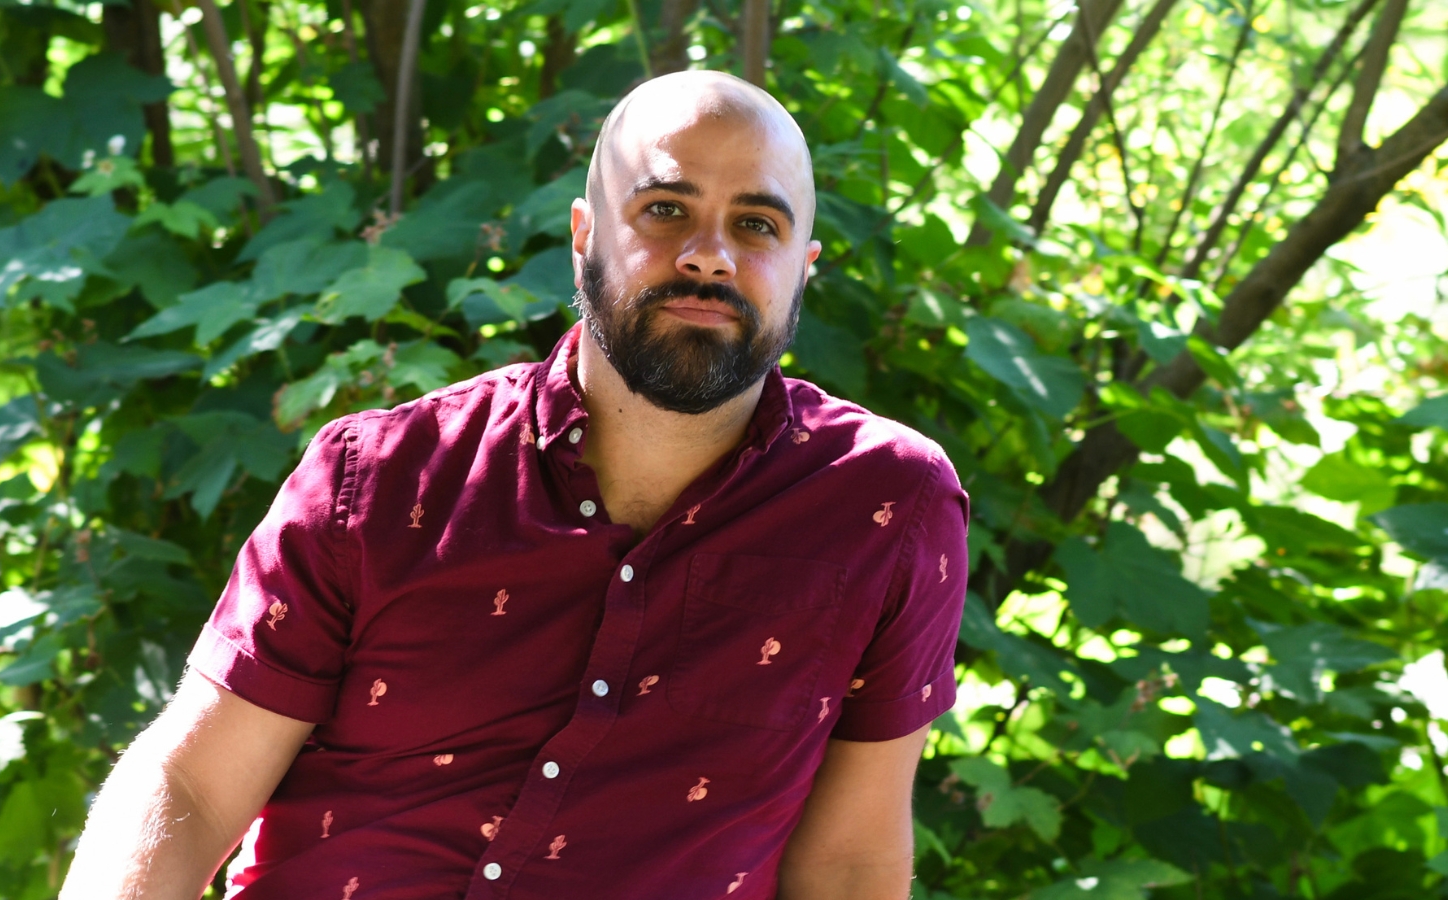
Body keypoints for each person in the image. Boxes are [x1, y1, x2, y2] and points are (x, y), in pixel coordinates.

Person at [60, 69, 968, 900]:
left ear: (802, 270)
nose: (708, 256)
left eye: (757, 226)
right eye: (663, 210)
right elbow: (192, 785)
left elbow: (848, 861)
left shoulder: (888, 510)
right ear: (584, 237)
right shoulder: (376, 480)